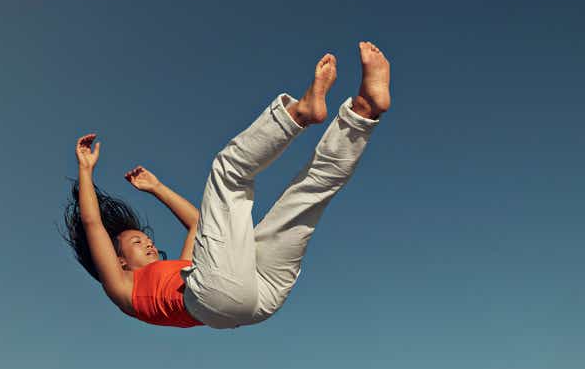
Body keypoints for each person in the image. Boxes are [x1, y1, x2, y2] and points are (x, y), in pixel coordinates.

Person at [62, 41, 391, 329]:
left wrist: (158, 188)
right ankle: (298, 113)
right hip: (216, 296)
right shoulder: (121, 286)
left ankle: (363, 113)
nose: (148, 242)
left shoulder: (186, 269)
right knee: (227, 170)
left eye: (144, 237)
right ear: (119, 260)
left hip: (258, 296)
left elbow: (198, 223)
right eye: (136, 241)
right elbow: (93, 224)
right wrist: (86, 170)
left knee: (307, 195)